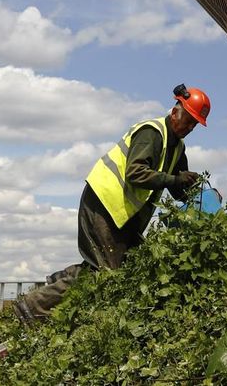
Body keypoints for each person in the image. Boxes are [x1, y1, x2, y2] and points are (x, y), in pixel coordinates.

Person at [13, 83, 211, 323]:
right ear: (175, 110)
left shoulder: (177, 149)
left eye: (194, 124)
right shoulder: (152, 133)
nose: (189, 127)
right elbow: (136, 173)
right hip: (103, 204)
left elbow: (176, 187)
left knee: (122, 267)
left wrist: (194, 191)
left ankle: (58, 281)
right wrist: (174, 178)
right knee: (107, 274)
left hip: (123, 218)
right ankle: (33, 307)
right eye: (187, 119)